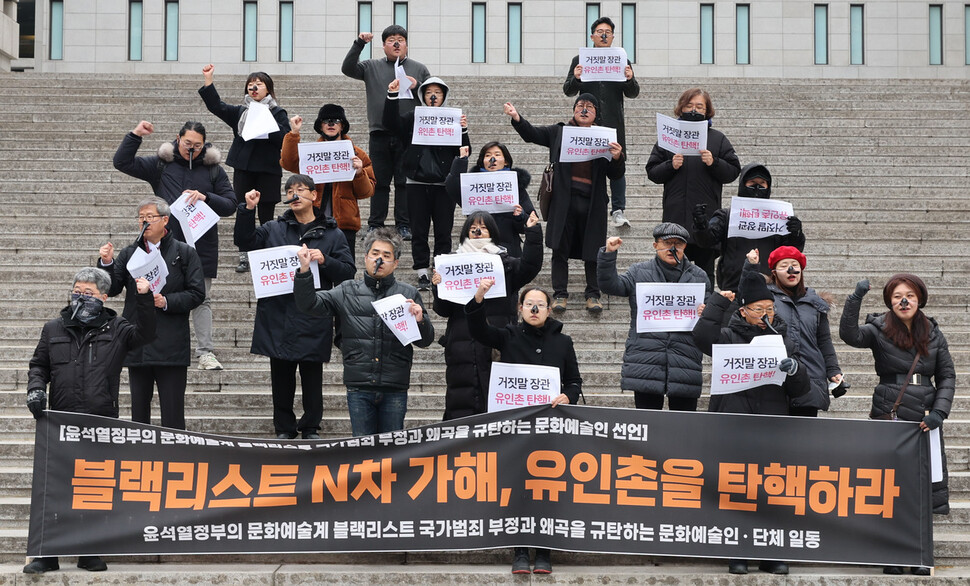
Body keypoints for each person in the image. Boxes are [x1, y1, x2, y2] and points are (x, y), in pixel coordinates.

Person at [23, 268, 156, 575]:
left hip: (100, 421)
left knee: (94, 487)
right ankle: (47, 555)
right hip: (61, 421)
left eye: (88, 293)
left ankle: (89, 551)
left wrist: (145, 297)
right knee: (55, 488)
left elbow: (146, 335)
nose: (81, 298)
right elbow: (38, 366)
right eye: (77, 292)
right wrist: (34, 391)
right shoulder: (53, 327)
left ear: (104, 297)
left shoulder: (117, 328)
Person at [692, 270, 808, 576]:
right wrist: (718, 304)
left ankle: (771, 554)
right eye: (760, 310)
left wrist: (795, 370)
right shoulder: (728, 337)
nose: (767, 315)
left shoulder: (783, 340)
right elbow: (702, 337)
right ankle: (737, 552)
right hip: (733, 425)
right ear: (743, 311)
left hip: (771, 427)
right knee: (736, 491)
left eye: (770, 309)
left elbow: (801, 388)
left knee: (771, 491)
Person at [839, 274, 954, 577]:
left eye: (911, 295)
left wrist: (939, 413)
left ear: (920, 300)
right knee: (889, 487)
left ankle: (919, 555)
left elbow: (947, 377)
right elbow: (849, 335)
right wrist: (855, 298)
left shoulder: (934, 333)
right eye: (897, 296)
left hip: (925, 418)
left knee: (922, 489)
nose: (904, 301)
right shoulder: (878, 329)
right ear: (889, 301)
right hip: (890, 412)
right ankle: (890, 554)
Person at [465, 279, 581, 575]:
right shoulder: (508, 336)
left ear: (549, 309)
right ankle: (519, 551)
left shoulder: (563, 342)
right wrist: (479, 297)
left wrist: (568, 395)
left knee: (547, 488)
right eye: (529, 303)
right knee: (518, 487)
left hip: (550, 428)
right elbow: (479, 331)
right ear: (520, 308)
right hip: (516, 430)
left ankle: (543, 551)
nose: (534, 308)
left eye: (540, 304)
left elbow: (574, 381)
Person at [234, 175, 356, 439]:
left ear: (314, 195)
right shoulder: (274, 229)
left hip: (314, 312)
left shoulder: (332, 234)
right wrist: (248, 210)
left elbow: (348, 271)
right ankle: (284, 427)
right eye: (290, 190)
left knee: (312, 374)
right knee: (281, 375)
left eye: (301, 190)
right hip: (278, 312)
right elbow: (245, 241)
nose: (295, 194)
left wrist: (325, 261)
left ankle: (311, 426)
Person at [113, 120, 237, 371]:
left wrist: (207, 197)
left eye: (198, 145)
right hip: (163, 245)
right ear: (177, 139)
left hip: (200, 246)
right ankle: (158, 347)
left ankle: (205, 352)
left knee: (202, 298)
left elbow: (231, 204)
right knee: (159, 296)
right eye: (187, 143)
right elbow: (122, 162)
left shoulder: (213, 170)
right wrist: (135, 135)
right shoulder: (162, 164)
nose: (191, 149)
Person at [293, 228, 434, 436]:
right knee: (362, 450)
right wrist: (304, 272)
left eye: (386, 256)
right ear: (365, 257)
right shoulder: (347, 290)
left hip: (394, 385)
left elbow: (425, 341)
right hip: (359, 385)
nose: (379, 259)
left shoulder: (408, 294)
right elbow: (309, 304)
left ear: (395, 263)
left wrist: (420, 320)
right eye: (375, 254)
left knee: (392, 450)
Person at [505, 95, 625, 313]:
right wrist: (517, 118)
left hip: (593, 202)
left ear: (596, 113)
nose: (585, 110)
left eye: (590, 107)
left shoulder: (604, 137)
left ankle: (593, 294)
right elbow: (532, 134)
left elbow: (616, 174)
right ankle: (560, 294)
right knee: (559, 248)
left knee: (593, 248)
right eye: (580, 106)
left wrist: (617, 157)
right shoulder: (559, 132)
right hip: (563, 201)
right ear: (574, 110)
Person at [98, 197, 206, 430]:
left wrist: (166, 300)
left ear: (165, 220)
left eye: (149, 217)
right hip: (138, 341)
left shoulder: (184, 252)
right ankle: (141, 455)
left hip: (171, 341)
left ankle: (174, 455)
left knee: (173, 410)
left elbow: (197, 293)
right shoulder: (129, 253)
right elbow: (113, 288)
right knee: (139, 410)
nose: (144, 222)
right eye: (140, 218)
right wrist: (106, 263)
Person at [430, 210, 543, 420]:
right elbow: (443, 310)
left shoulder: (505, 264)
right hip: (461, 347)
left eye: (483, 227)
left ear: (492, 232)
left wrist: (533, 232)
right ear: (466, 233)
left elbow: (530, 265)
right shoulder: (451, 264)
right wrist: (438, 286)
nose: (478, 231)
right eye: (473, 228)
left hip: (497, 344)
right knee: (461, 406)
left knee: (497, 410)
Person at [597, 222, 711, 411]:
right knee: (647, 424)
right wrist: (609, 255)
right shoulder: (638, 271)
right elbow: (611, 286)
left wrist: (706, 312)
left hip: (685, 359)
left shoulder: (699, 276)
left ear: (685, 247)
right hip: (645, 359)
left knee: (683, 426)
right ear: (655, 246)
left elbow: (710, 316)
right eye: (667, 243)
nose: (672, 248)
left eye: (678, 244)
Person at [198, 64, 290, 272]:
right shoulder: (241, 112)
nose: (254, 88)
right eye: (250, 85)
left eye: (259, 84)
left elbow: (284, 140)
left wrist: (267, 123)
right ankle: (244, 254)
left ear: (268, 89)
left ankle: (266, 252)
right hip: (244, 169)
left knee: (267, 212)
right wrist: (209, 79)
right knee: (244, 210)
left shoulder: (278, 112)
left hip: (268, 170)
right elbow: (216, 106)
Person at [342, 24, 430, 240]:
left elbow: (433, 96)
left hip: (409, 134)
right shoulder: (371, 67)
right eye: (391, 40)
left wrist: (418, 86)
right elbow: (347, 68)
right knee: (379, 181)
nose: (396, 43)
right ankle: (375, 224)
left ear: (407, 45)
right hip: (379, 132)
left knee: (403, 182)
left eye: (401, 39)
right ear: (383, 46)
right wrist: (360, 43)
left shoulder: (419, 69)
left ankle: (404, 224)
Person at [646, 88, 741, 285]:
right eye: (689, 106)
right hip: (676, 216)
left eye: (699, 106)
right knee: (673, 270)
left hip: (706, 219)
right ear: (681, 108)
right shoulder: (669, 137)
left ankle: (705, 311)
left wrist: (713, 162)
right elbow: (652, 172)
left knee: (705, 273)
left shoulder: (717, 138)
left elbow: (733, 171)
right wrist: (670, 165)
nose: (694, 110)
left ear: (707, 111)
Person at [384, 76, 469, 290]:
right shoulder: (414, 117)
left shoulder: (453, 119)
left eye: (437, 93)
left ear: (444, 97)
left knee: (443, 230)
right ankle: (422, 272)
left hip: (443, 184)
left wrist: (463, 130)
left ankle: (440, 270)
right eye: (429, 92)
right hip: (416, 182)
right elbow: (390, 123)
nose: (433, 96)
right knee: (419, 230)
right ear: (423, 96)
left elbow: (465, 152)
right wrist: (392, 96)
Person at [563, 16, 639, 228]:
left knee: (616, 165)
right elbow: (568, 90)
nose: (604, 35)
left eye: (608, 32)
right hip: (588, 123)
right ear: (592, 36)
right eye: (600, 31)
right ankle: (591, 207)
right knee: (590, 165)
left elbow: (633, 93)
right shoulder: (580, 59)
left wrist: (630, 78)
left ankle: (618, 209)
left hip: (613, 123)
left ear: (613, 36)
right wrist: (576, 77)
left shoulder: (622, 59)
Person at [750, 246, 844, 417]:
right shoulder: (765, 298)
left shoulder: (815, 303)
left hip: (810, 379)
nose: (791, 269)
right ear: (774, 272)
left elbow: (824, 341)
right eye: (784, 265)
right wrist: (750, 267)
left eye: (794, 264)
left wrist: (833, 371)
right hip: (775, 378)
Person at [280, 104, 376, 257]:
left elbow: (367, 191)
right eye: (326, 121)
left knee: (344, 269)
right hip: (314, 221)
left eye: (336, 121)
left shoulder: (358, 154)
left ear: (342, 126)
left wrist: (359, 172)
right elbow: (288, 162)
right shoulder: (311, 152)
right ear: (320, 126)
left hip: (345, 224)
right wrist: (294, 133)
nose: (331, 124)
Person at [693, 163, 805, 292]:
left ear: (768, 187)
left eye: (762, 183)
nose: (757, 187)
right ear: (743, 184)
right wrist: (701, 224)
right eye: (752, 182)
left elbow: (792, 251)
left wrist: (796, 233)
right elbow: (707, 240)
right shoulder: (726, 215)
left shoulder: (780, 216)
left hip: (771, 287)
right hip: (733, 286)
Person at [445, 141, 537, 257]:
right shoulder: (472, 186)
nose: (492, 158)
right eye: (487, 155)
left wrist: (520, 216)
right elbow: (452, 187)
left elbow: (529, 223)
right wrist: (461, 160)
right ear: (482, 161)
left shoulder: (516, 187)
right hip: (476, 248)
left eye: (497, 155)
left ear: (506, 161)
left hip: (509, 250)